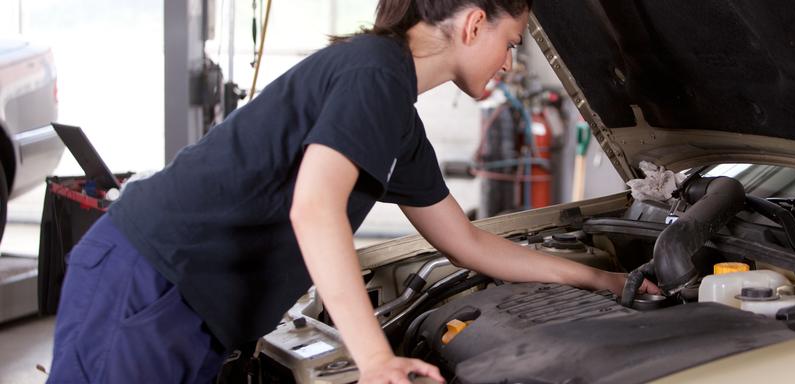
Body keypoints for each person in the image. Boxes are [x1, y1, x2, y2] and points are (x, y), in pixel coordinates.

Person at [48, 1, 659, 383]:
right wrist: (374, 357)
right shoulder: (374, 73)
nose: (509, 60)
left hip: (192, 307)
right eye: (511, 42)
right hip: (148, 285)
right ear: (475, 23)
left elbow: (468, 243)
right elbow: (314, 206)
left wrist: (602, 280)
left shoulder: (397, 119)